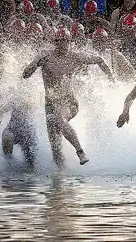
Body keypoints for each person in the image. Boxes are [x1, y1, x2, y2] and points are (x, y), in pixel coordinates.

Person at [22, 28, 113, 167]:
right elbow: (25, 74)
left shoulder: (76, 57)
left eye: (64, 41)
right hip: (50, 104)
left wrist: (111, 80)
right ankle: (61, 175)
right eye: (58, 41)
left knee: (60, 120)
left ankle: (80, 152)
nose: (61, 44)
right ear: (54, 42)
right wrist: (36, 64)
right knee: (56, 148)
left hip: (69, 101)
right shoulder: (45, 56)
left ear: (69, 41)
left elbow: (100, 60)